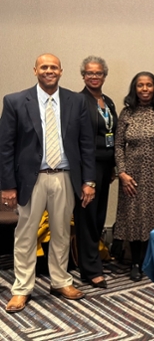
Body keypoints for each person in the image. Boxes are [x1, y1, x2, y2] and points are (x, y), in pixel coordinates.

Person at [0, 53, 95, 313]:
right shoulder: (15, 101)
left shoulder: (76, 102)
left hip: (65, 177)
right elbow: (5, 146)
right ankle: (21, 288)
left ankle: (60, 281)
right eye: (44, 67)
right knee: (25, 235)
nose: (49, 71)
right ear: (35, 71)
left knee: (62, 232)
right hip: (31, 179)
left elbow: (86, 144)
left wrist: (89, 181)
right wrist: (7, 185)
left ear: (61, 71)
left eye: (53, 67)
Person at [114, 72, 154, 282]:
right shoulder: (127, 113)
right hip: (132, 176)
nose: (145, 89)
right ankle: (136, 263)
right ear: (134, 88)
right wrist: (122, 173)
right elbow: (118, 145)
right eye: (140, 85)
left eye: (149, 85)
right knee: (135, 219)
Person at [74, 55, 118, 289]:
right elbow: (77, 141)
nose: (94, 76)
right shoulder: (77, 101)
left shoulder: (108, 102)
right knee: (87, 219)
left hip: (105, 167)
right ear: (83, 76)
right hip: (86, 170)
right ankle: (90, 270)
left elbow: (113, 134)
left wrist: (113, 167)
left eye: (98, 73)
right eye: (89, 73)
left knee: (99, 217)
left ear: (104, 75)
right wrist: (86, 179)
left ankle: (91, 263)